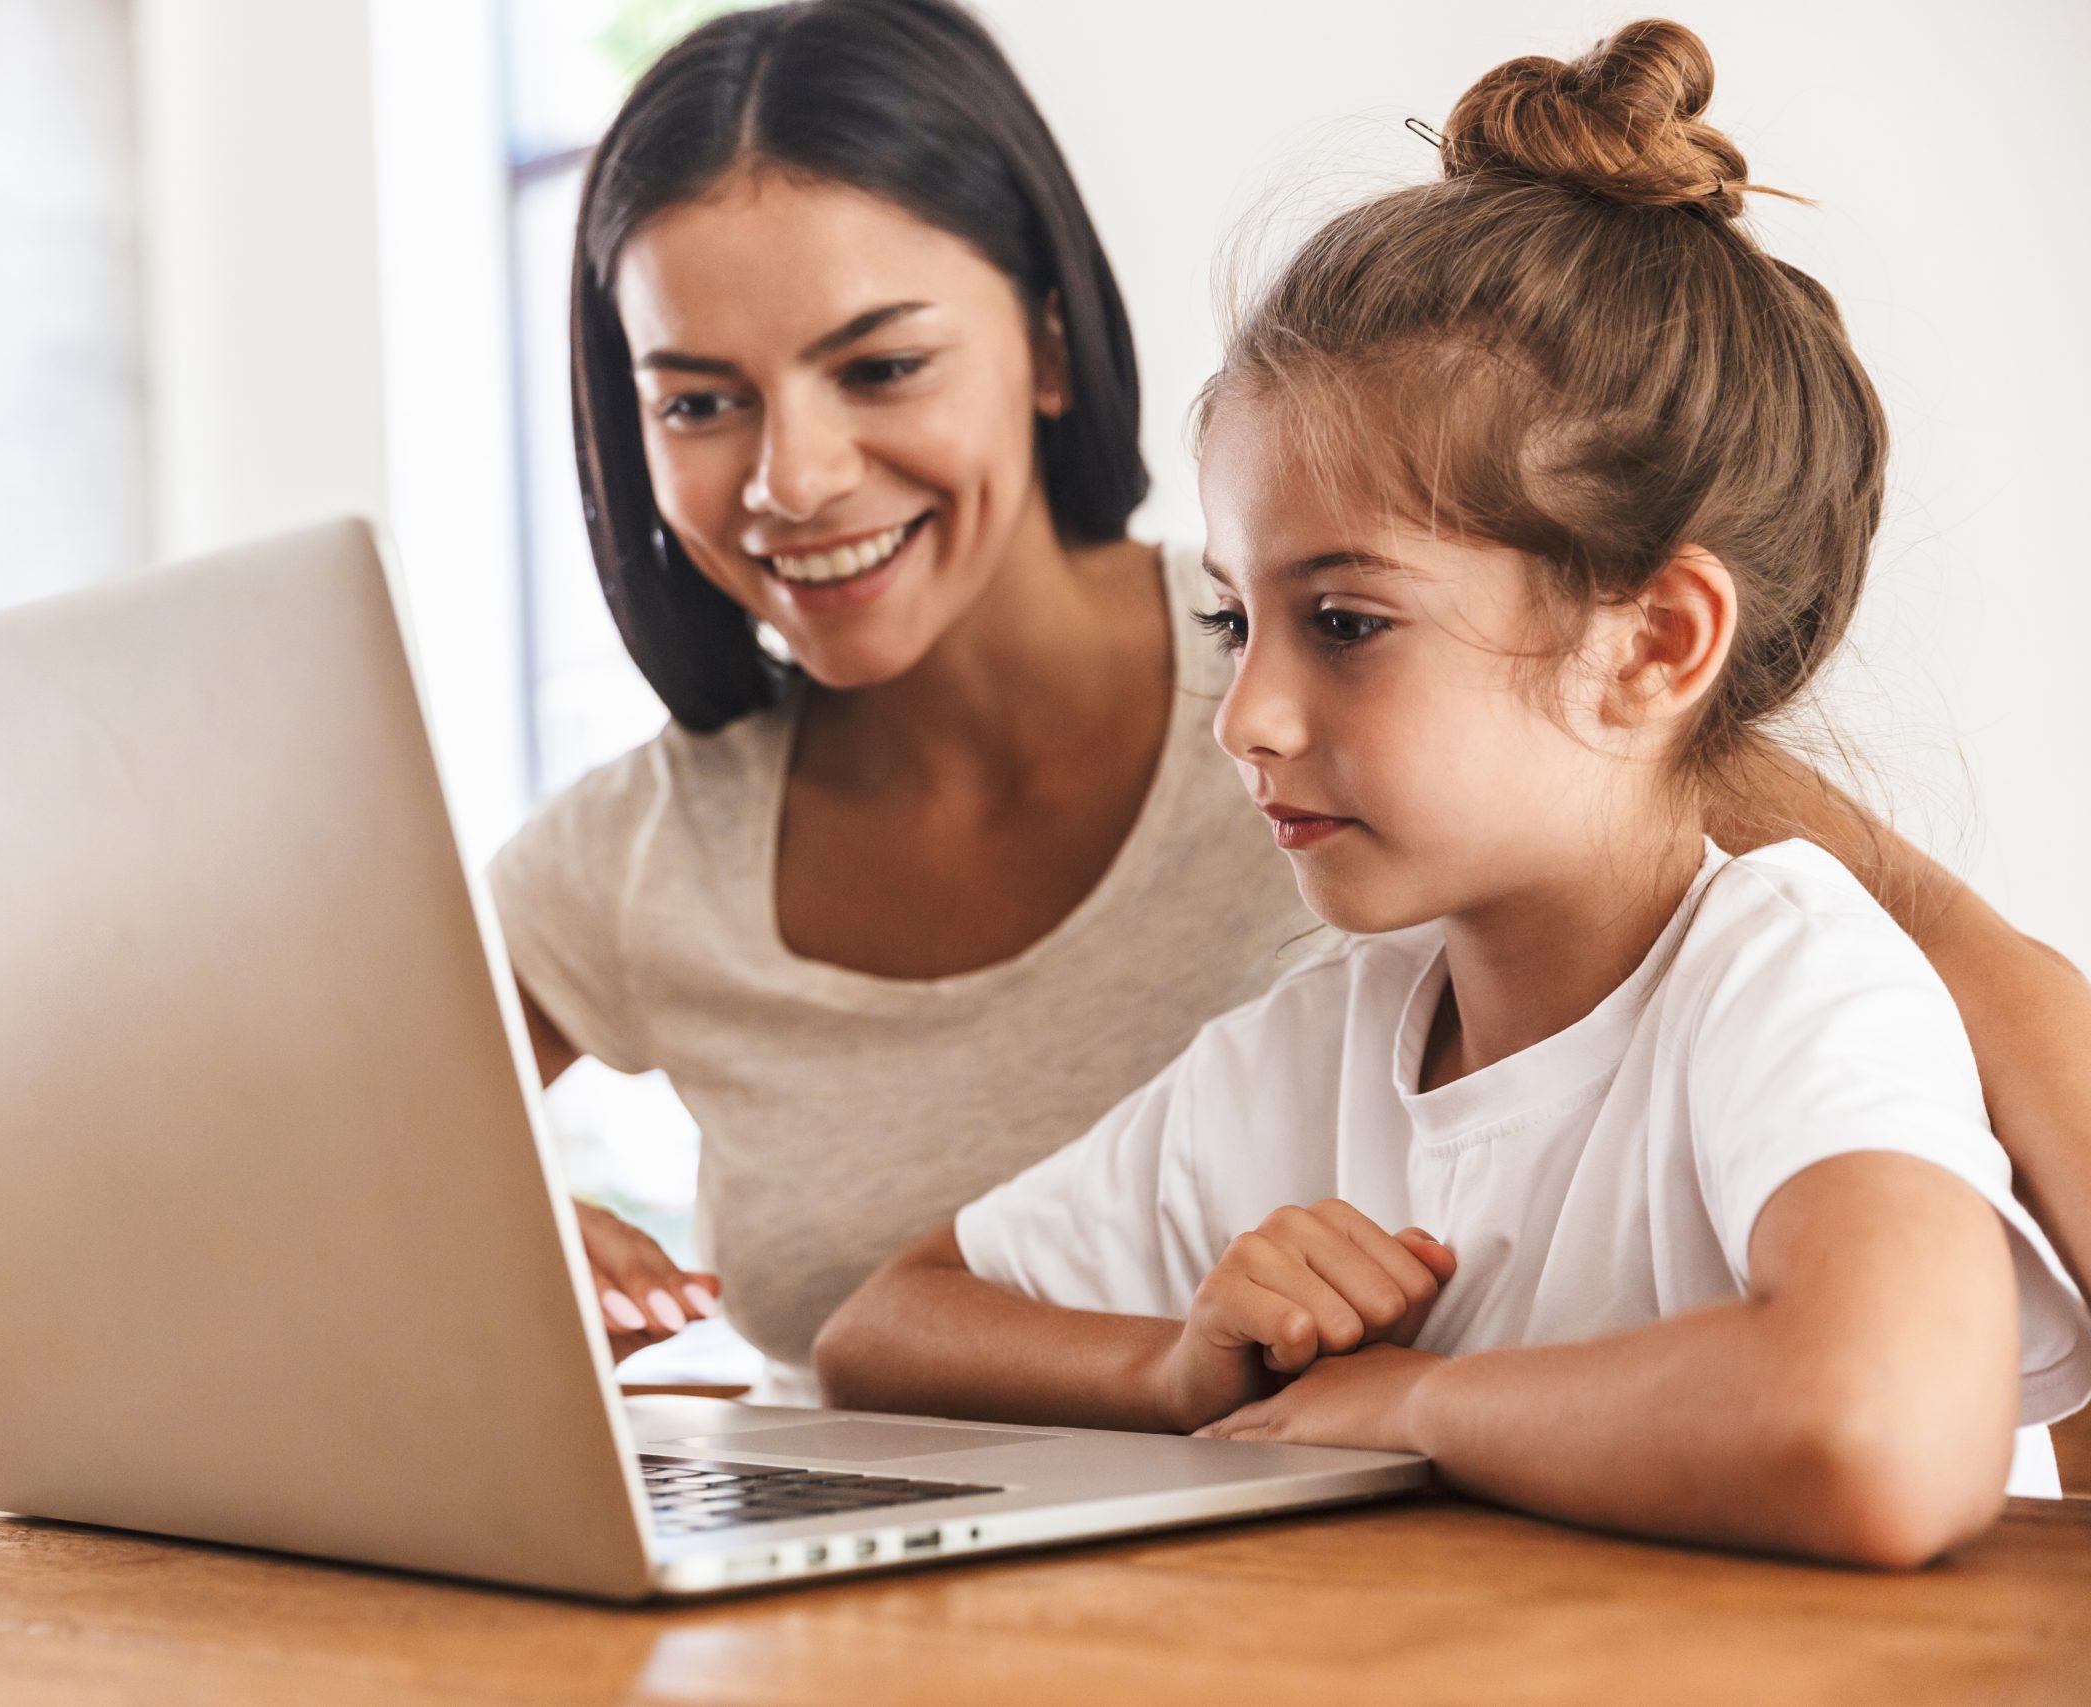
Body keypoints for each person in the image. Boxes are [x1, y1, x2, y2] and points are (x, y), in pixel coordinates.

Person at [495, 0, 2091, 1404]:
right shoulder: (649, 851)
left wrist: (1398, 1415)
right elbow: (298, 1136)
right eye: (696, 402)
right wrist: (449, 1222)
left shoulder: (1454, 683)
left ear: (1049, 339)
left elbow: (1875, 929)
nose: (793, 477)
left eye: (882, 365)